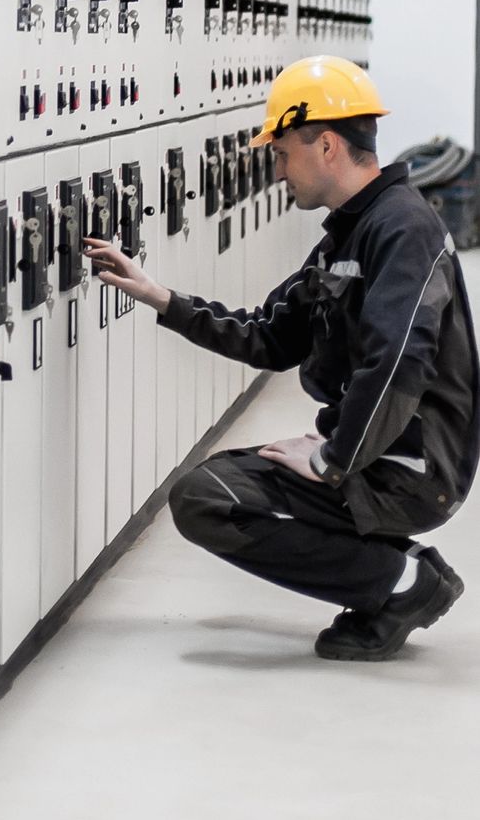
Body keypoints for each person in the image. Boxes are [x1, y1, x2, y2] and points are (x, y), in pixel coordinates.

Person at [86, 55, 480, 661]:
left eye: (281, 153)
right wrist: (160, 297)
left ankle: (403, 584)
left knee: (207, 499)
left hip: (413, 468)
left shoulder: (402, 229)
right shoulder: (350, 233)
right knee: (212, 489)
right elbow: (270, 336)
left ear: (326, 145)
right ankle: (402, 573)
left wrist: (332, 460)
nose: (276, 171)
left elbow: (396, 365)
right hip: (375, 451)